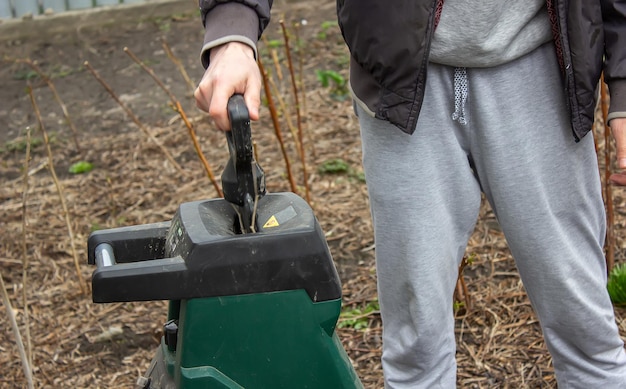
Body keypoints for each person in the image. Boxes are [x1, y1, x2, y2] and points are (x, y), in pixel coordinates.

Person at [194, 0, 626, 387]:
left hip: (540, 67)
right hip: (401, 79)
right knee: (416, 351)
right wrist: (233, 28)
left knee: (586, 331)